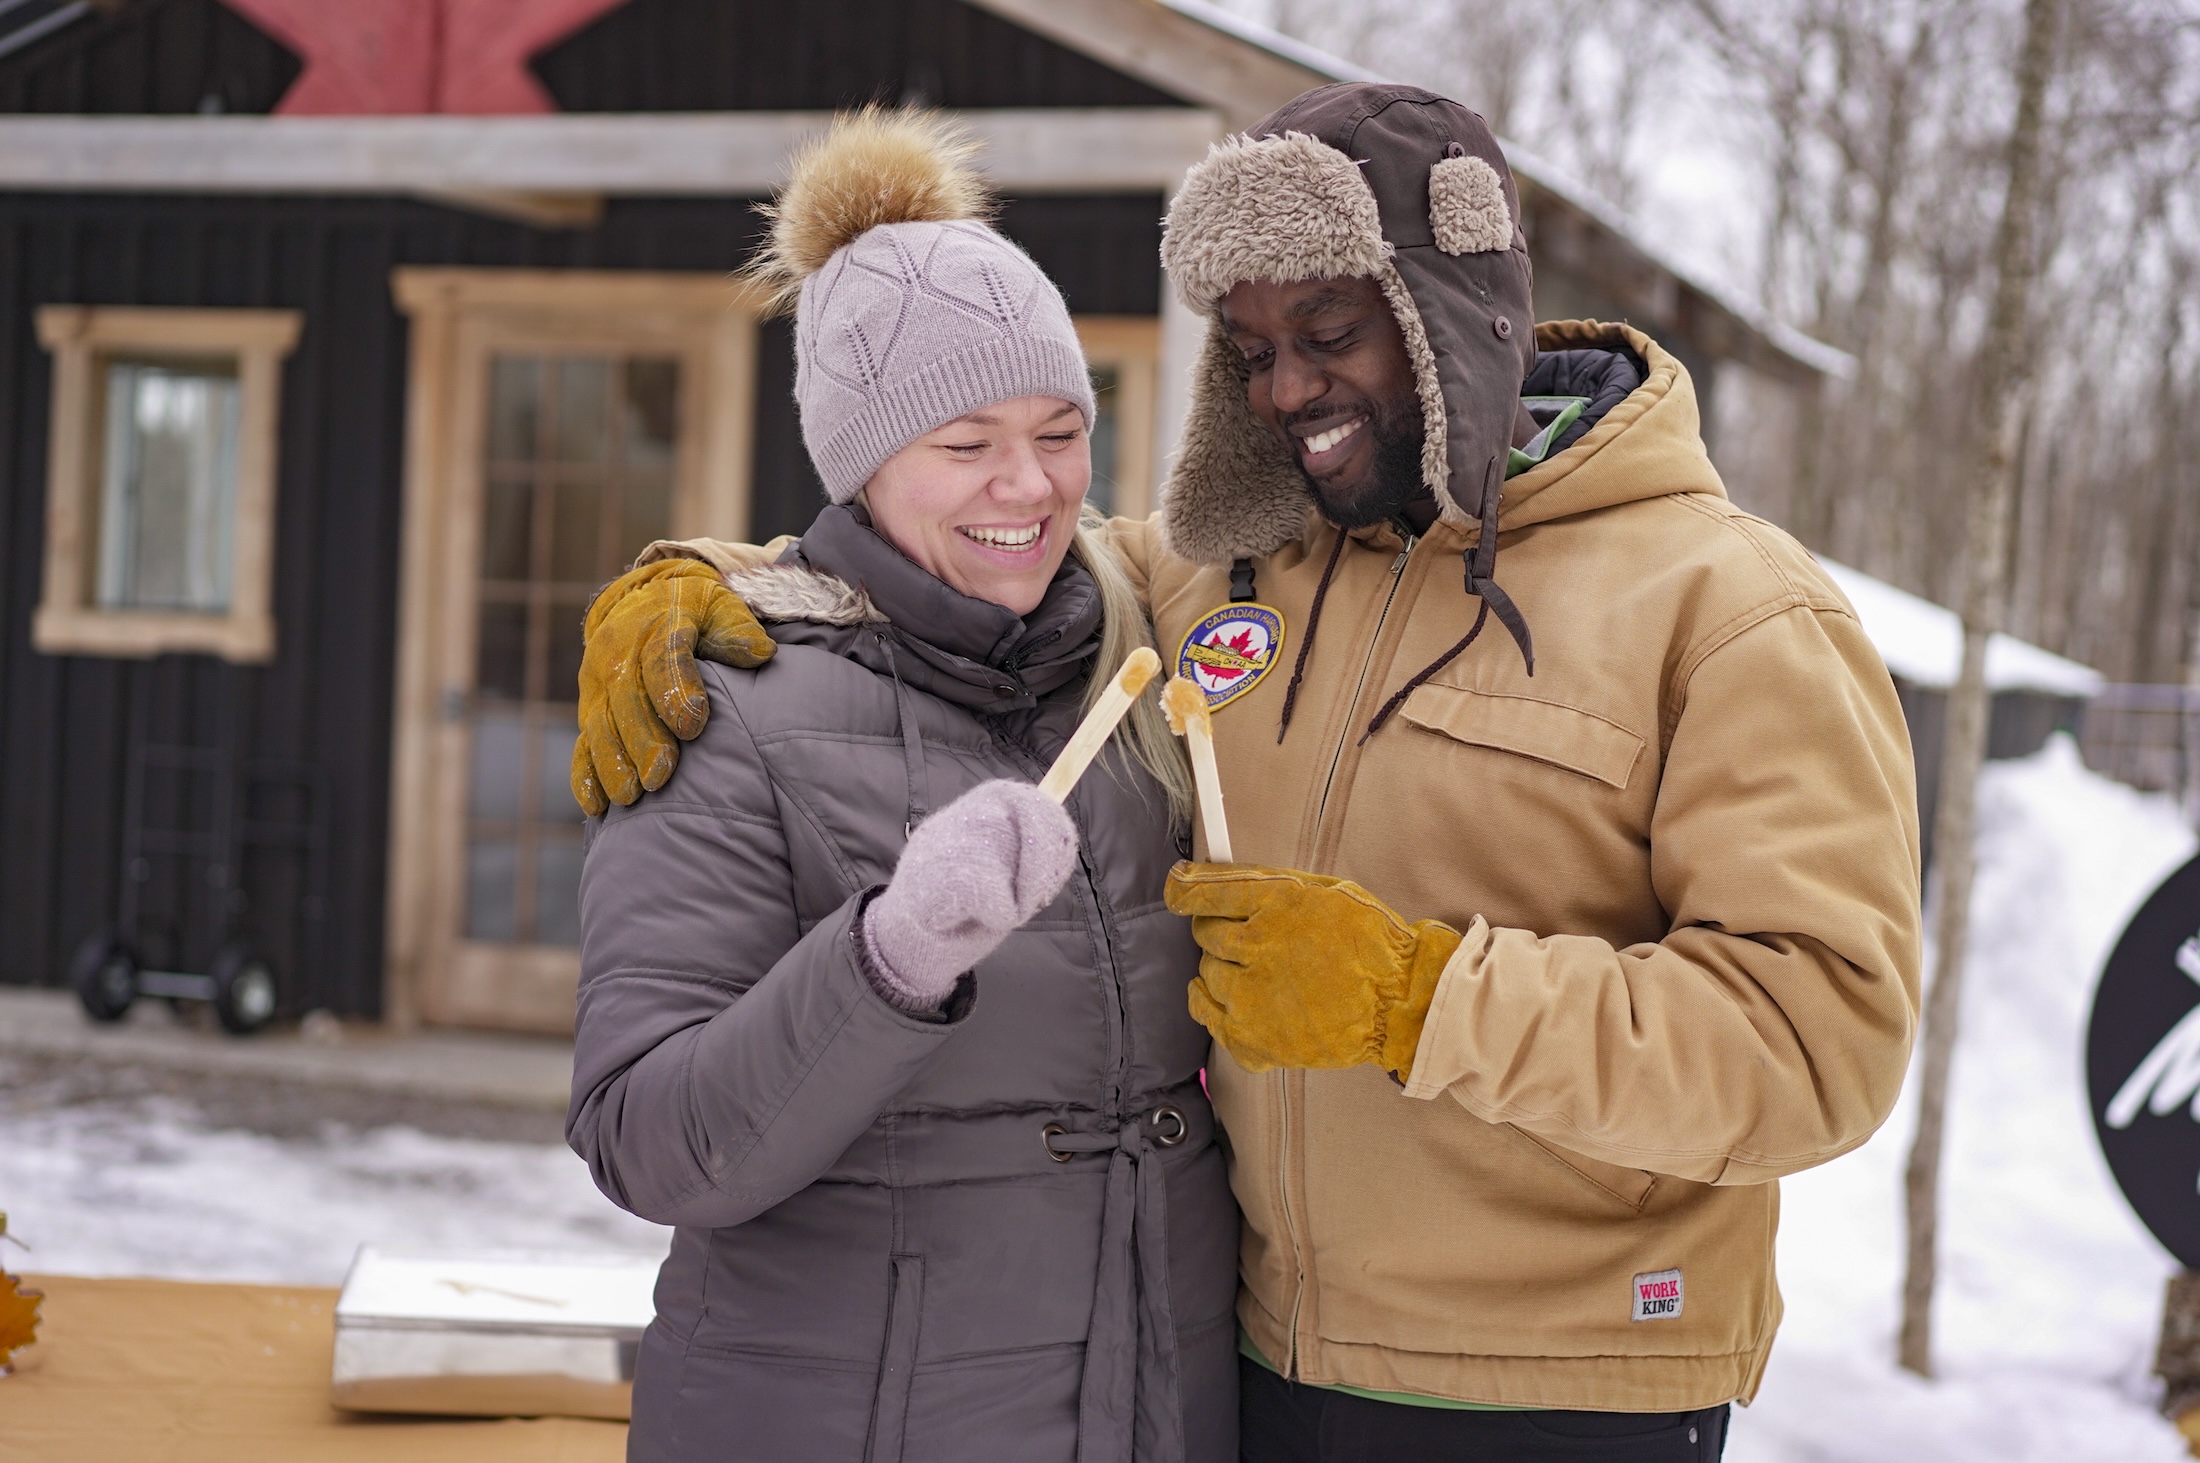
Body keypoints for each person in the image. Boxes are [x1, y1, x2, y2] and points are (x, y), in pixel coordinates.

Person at [574, 86, 1924, 1462]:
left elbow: (1823, 1045)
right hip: (1258, 1373)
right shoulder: (1233, 571)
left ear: (1447, 310)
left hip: (1566, 1390)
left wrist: (1418, 999)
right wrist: (706, 580)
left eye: (1329, 336)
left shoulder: (1734, 611)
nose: (1284, 389)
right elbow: (987, 539)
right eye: (1255, 348)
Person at [565, 111, 1237, 1463]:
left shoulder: (1137, 659)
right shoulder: (720, 702)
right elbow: (650, 1141)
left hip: (1152, 1404)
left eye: (1060, 430)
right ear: (860, 461)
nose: (1027, 486)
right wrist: (888, 958)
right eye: (963, 441)